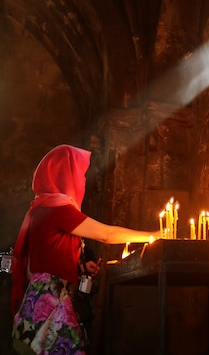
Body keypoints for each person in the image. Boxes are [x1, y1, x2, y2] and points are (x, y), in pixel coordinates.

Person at [11, 144, 158, 355]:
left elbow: (49, 254)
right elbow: (106, 234)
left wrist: (79, 268)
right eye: (79, 174)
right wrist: (153, 236)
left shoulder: (43, 207)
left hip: (42, 296)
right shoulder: (56, 208)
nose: (83, 180)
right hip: (50, 301)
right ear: (64, 174)